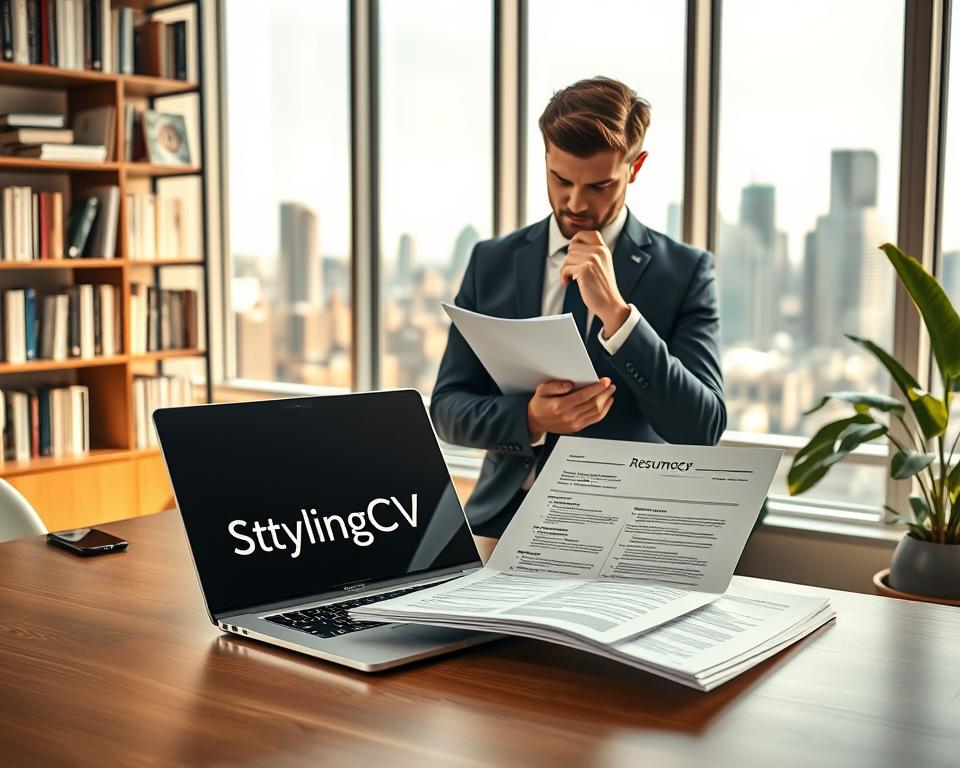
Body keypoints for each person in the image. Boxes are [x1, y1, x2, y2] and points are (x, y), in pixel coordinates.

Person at [431, 76, 726, 556]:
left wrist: (616, 313)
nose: (575, 203)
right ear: (545, 158)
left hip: (623, 535)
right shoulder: (492, 261)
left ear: (636, 167)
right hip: (498, 525)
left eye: (599, 185)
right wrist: (529, 417)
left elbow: (703, 428)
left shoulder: (686, 272)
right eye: (560, 179)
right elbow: (446, 408)